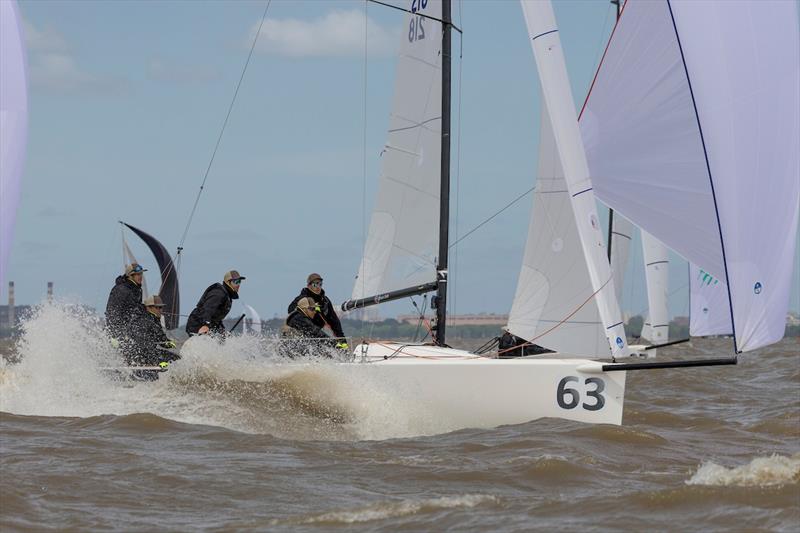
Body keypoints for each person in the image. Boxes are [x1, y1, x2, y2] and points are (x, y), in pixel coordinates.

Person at [287, 273, 347, 349]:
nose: (318, 287)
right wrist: (310, 308)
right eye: (315, 285)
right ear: (308, 286)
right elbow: (290, 310)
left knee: (336, 348)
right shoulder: (302, 298)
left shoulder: (325, 302)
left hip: (317, 338)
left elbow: (334, 321)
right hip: (301, 335)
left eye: (320, 284)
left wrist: (342, 340)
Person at [127, 295, 180, 380]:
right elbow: (162, 340)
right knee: (176, 360)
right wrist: (172, 344)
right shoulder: (152, 320)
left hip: (134, 355)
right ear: (149, 308)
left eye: (161, 308)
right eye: (158, 307)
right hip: (147, 354)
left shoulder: (136, 318)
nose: (160, 310)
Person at [186, 270, 244, 336]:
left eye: (239, 282)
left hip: (208, 326)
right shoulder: (219, 293)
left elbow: (216, 318)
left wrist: (222, 331)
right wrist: (205, 325)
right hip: (198, 325)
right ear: (228, 282)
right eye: (236, 282)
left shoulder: (227, 295)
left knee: (222, 340)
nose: (238, 285)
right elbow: (207, 308)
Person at [105, 263, 148, 342]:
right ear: (130, 276)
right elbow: (112, 312)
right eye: (138, 274)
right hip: (118, 333)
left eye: (141, 274)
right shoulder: (121, 289)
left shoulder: (137, 290)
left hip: (129, 331)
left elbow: (136, 308)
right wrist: (115, 334)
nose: (141, 276)